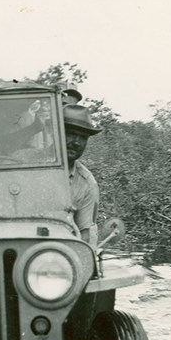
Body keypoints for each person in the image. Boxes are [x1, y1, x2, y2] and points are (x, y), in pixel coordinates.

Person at [63, 104, 101, 246]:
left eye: (83, 137)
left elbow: (84, 236)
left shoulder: (87, 183)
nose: (77, 142)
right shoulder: (30, 164)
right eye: (71, 134)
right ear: (57, 132)